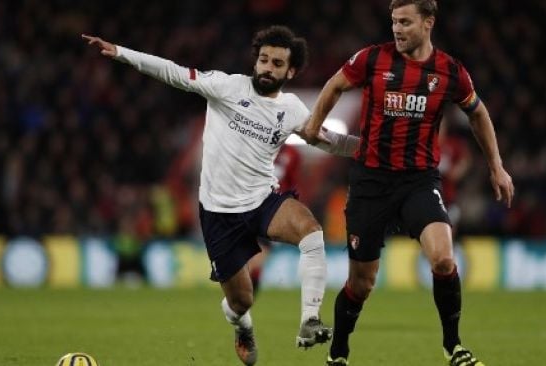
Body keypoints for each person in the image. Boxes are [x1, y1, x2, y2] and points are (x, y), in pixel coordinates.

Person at [83, 25, 359, 365]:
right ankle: (242, 327)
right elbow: (174, 72)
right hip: (219, 213)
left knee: (311, 231)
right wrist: (122, 52)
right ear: (255, 61)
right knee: (242, 301)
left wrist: (372, 150)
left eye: (276, 63)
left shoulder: (292, 109)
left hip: (262, 200)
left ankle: (309, 320)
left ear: (291, 71)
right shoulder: (227, 86)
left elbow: (328, 140)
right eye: (263, 60)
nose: (267, 68)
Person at [304, 1, 515, 365]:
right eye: (393, 22)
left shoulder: (450, 71)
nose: (397, 29)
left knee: (444, 260)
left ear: (428, 23)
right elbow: (335, 85)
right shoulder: (372, 59)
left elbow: (478, 112)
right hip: (371, 183)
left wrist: (496, 166)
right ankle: (339, 353)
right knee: (361, 284)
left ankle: (454, 347)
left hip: (418, 181)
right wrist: (312, 125)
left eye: (405, 22)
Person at [248, 143, 302, 295]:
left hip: (273, 212)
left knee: (258, 257)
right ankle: (243, 298)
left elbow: (292, 185)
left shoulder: (292, 154)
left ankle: (244, 298)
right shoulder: (256, 147)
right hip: (250, 207)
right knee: (250, 258)